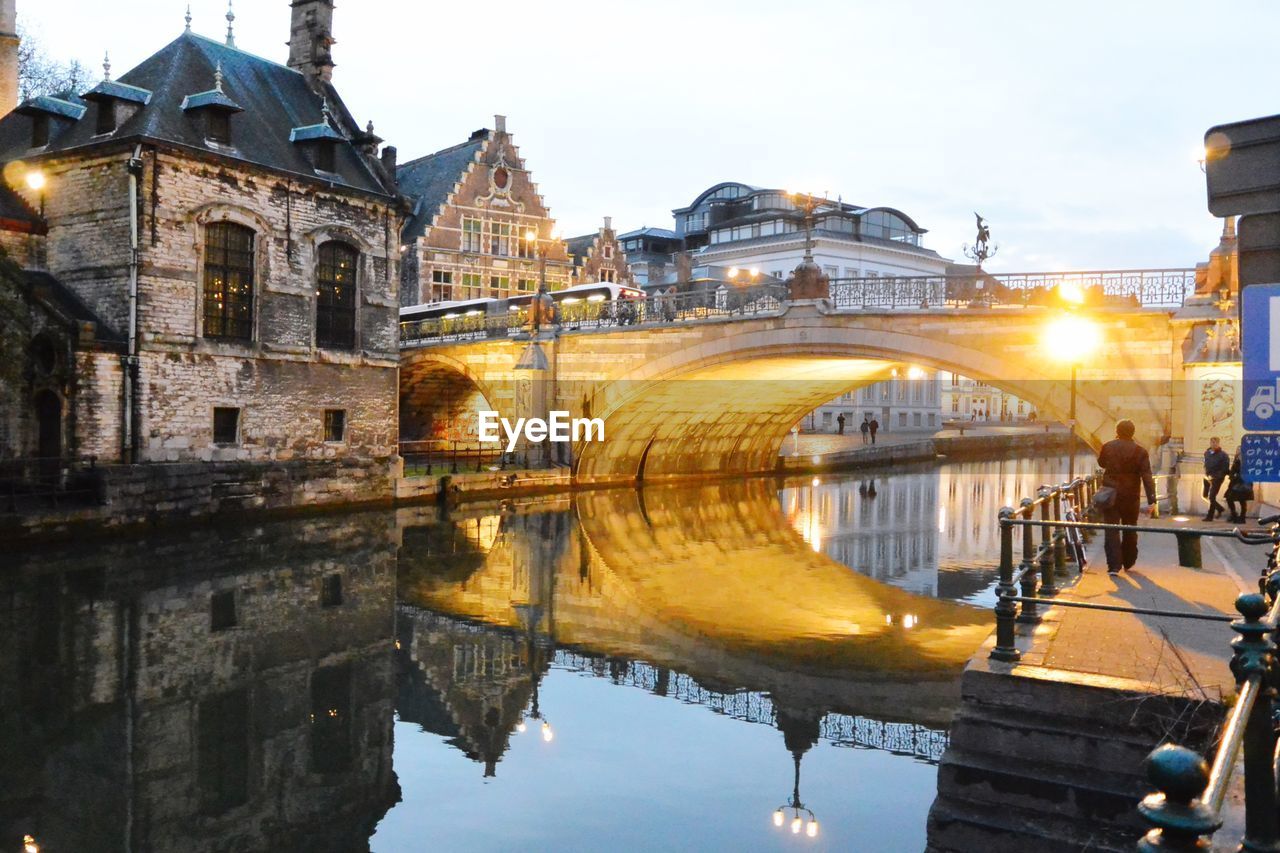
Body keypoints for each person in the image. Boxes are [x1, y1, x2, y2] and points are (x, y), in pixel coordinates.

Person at [1097, 419, 1157, 574]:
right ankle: (1128, 561)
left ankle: (1113, 566)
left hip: (1111, 494)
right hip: (1131, 496)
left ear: (1117, 431)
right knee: (1130, 528)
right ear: (1133, 432)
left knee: (1111, 530)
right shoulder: (1140, 452)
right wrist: (1152, 499)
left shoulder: (1108, 446)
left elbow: (1101, 463)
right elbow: (1147, 476)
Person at [1202, 437, 1230, 521]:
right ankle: (1219, 508)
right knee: (1205, 495)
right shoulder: (1207, 453)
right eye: (1212, 442)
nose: (1214, 444)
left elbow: (1225, 468)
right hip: (1207, 477)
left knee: (1212, 496)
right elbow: (1205, 463)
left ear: (1218, 443)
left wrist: (1217, 475)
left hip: (1217, 478)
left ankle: (1210, 516)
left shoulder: (1223, 455)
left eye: (1215, 442)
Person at [1226, 446, 1253, 524]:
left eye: (1240, 450)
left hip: (1244, 483)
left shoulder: (1247, 460)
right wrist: (1231, 476)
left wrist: (1236, 475)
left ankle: (1242, 517)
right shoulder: (1236, 459)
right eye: (1237, 450)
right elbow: (1233, 470)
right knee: (1229, 498)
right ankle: (1234, 514)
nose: (1238, 452)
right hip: (1235, 483)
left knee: (1242, 501)